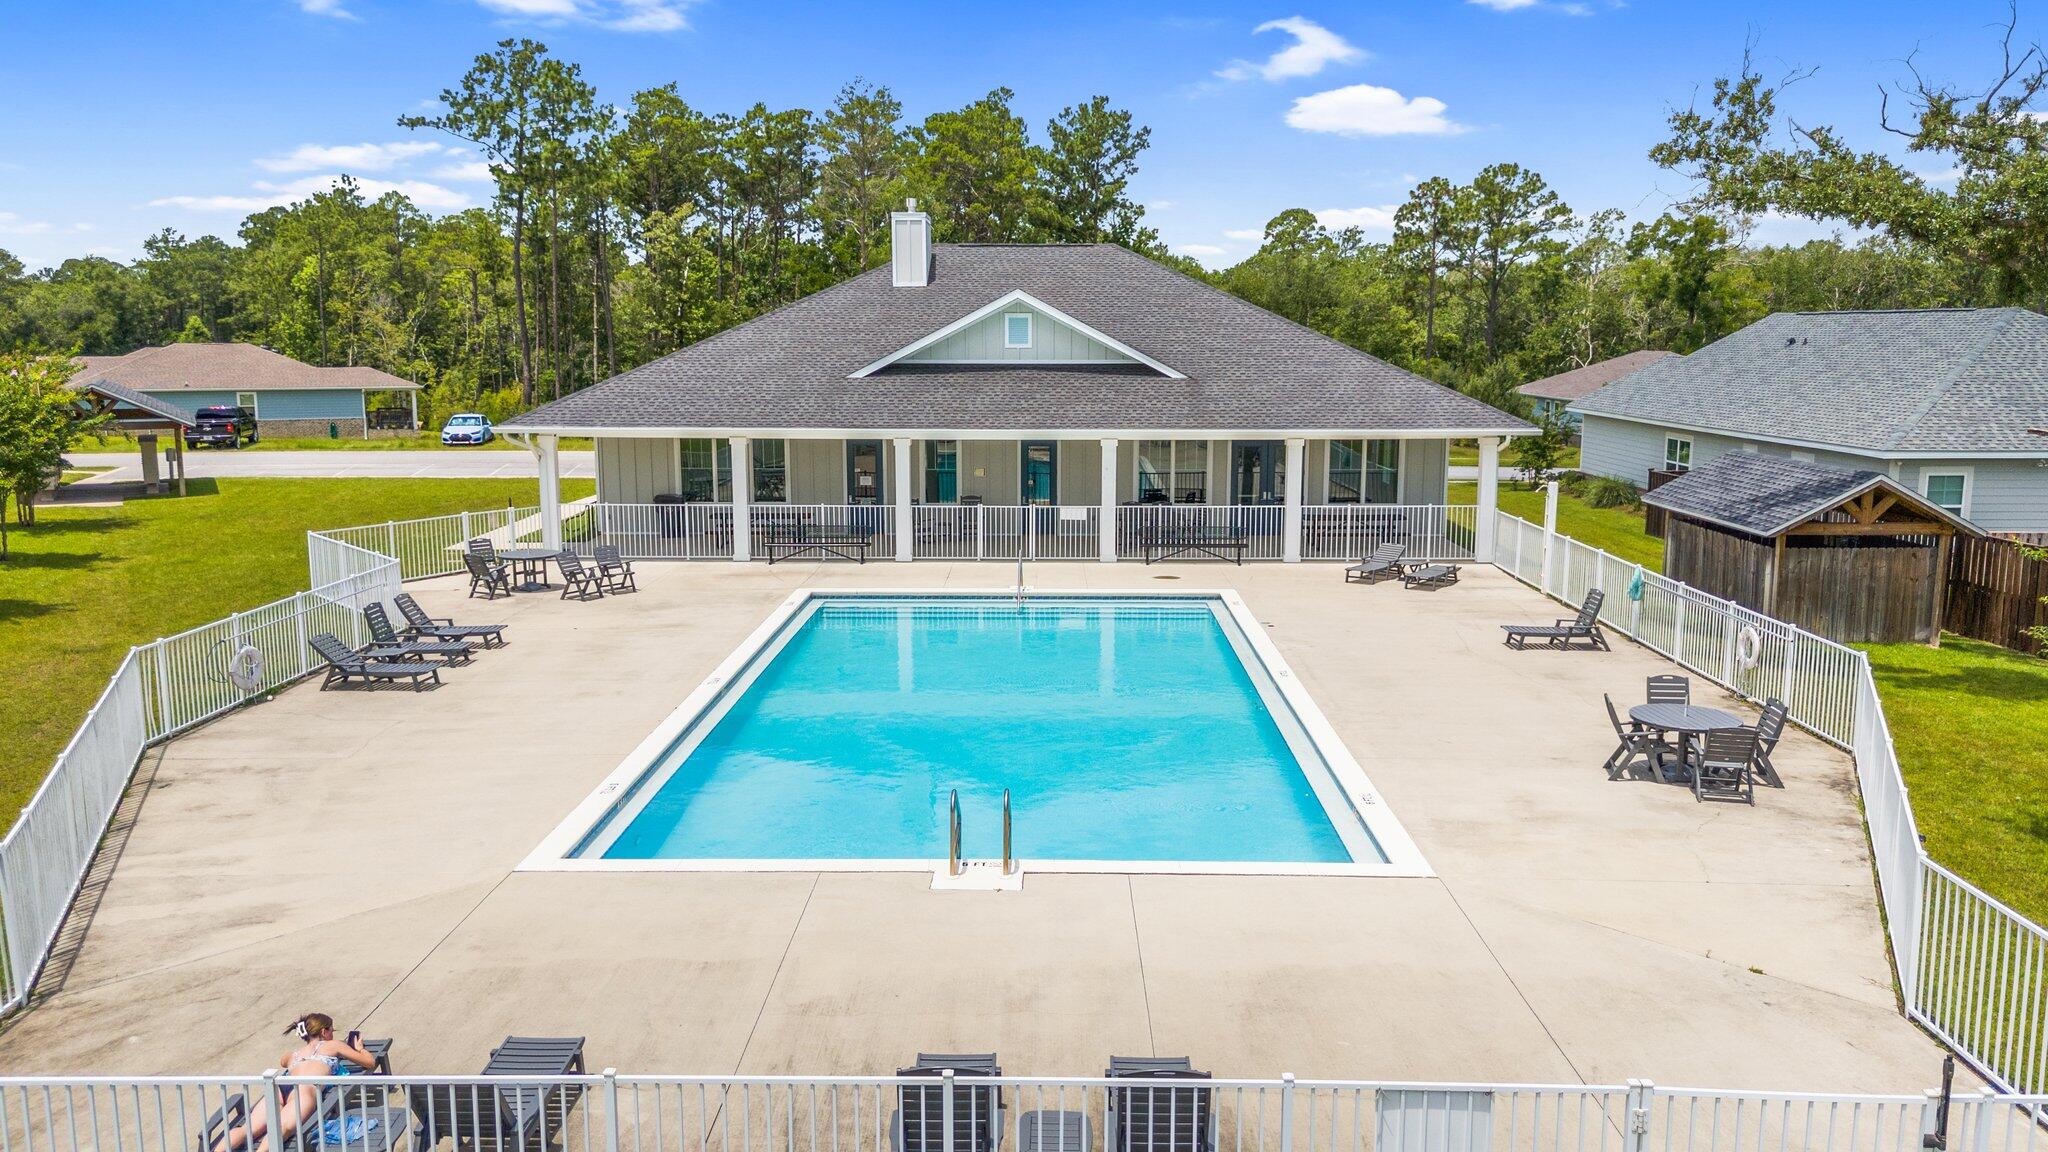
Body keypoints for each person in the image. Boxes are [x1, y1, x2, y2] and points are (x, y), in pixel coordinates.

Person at [210, 1013, 378, 1152]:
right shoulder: (333, 1045)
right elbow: (369, 1062)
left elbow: (283, 1062)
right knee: (280, 1129)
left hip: (280, 1087)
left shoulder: (293, 1054)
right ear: (324, 1031)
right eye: (331, 1030)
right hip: (305, 1088)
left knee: (247, 1129)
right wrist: (359, 1048)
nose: (333, 1034)